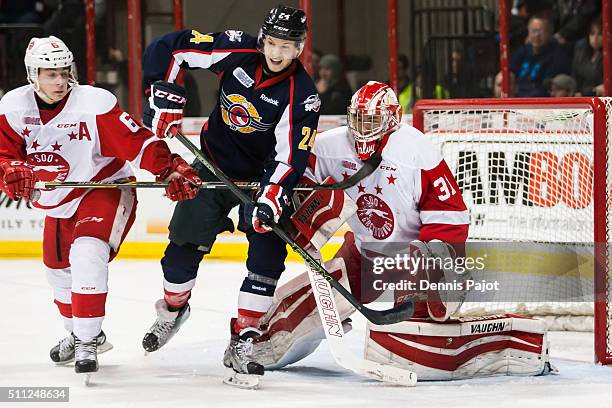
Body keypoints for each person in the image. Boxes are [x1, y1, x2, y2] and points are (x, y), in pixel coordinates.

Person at [250, 81, 552, 380]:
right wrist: (285, 203)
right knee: (312, 301)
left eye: (373, 120)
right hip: (365, 249)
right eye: (358, 118)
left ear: (393, 119)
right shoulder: (329, 146)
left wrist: (437, 262)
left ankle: (445, 296)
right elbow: (294, 176)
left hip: (415, 252)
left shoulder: (416, 151)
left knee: (413, 314)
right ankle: (263, 338)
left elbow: (452, 215)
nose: (363, 127)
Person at [139, 5, 320, 384]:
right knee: (181, 251)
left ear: (299, 49)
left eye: (286, 47)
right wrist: (164, 94)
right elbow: (169, 48)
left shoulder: (301, 94)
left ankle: (245, 337)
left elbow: (291, 154)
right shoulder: (237, 49)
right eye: (271, 43)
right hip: (211, 166)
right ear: (262, 38)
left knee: (267, 256)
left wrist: (272, 197)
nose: (275, 53)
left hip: (259, 180)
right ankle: (173, 310)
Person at [0, 36, 201, 375]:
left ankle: (87, 341)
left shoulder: (93, 103)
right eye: (50, 74)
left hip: (104, 186)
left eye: (64, 72)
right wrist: (6, 170)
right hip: (58, 202)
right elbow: (4, 155)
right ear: (32, 74)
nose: (60, 81)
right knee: (57, 273)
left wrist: (170, 167)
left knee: (87, 253)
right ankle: (80, 332)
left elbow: (136, 143)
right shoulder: (13, 107)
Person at [510, 13, 571, 97]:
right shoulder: (523, 51)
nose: (536, 35)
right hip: (517, 97)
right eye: (533, 31)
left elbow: (548, 88)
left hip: (539, 102)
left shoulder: (558, 56)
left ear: (550, 32)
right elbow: (510, 72)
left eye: (541, 31)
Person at [572, 16, 604, 96]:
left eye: (600, 34)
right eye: (592, 34)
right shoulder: (581, 50)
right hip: (579, 95)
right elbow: (575, 76)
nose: (595, 38)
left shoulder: (607, 57)